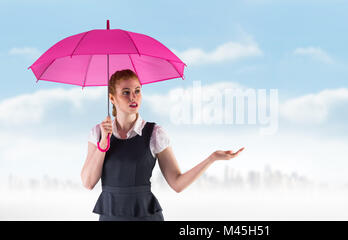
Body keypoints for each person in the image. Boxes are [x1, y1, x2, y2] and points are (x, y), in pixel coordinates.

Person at [80, 69, 244, 221]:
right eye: (126, 92)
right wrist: (103, 144)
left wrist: (212, 158)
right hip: (110, 216)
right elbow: (88, 183)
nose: (133, 97)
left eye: (137, 91)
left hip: (146, 215)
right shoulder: (98, 133)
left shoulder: (155, 134)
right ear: (112, 98)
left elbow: (177, 183)